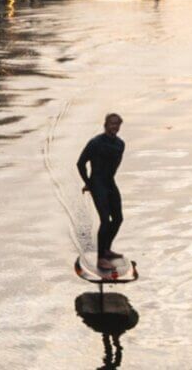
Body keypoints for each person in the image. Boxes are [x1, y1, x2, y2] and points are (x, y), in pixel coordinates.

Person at [77, 113, 126, 271]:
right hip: (97, 183)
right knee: (105, 220)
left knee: (118, 218)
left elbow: (114, 166)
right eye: (112, 124)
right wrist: (89, 183)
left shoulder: (120, 144)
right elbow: (80, 163)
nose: (115, 127)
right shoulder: (95, 143)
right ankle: (100, 258)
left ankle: (107, 249)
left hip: (109, 182)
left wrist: (106, 181)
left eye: (118, 124)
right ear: (105, 124)